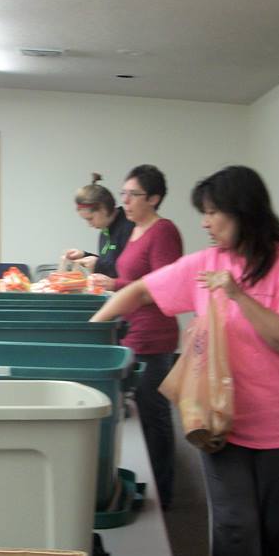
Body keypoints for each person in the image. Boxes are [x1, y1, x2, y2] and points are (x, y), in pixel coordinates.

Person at [92, 165, 279, 556]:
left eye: (214, 213)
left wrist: (237, 294)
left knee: (275, 535)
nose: (206, 223)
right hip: (221, 424)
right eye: (205, 213)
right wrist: (90, 338)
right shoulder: (204, 263)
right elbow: (139, 291)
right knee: (236, 528)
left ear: (245, 213)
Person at [91, 164, 183, 509]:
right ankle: (153, 484)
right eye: (124, 193)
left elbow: (165, 286)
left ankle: (166, 492)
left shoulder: (163, 232)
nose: (125, 200)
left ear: (155, 198)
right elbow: (124, 274)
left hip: (153, 338)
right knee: (140, 414)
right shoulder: (134, 230)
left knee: (155, 415)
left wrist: (115, 285)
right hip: (132, 332)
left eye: (134, 195)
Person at [64, 172, 133, 278]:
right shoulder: (104, 231)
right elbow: (108, 263)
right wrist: (84, 255)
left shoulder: (129, 227)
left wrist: (98, 265)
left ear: (103, 209)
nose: (89, 225)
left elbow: (130, 271)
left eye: (90, 219)